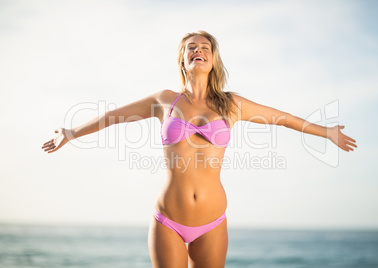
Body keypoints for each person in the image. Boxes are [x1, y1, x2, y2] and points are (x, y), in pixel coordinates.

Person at [42, 30, 357, 268]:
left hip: (212, 221)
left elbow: (284, 119)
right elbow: (112, 117)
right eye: (191, 47)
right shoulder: (164, 100)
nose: (198, 50)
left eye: (205, 47)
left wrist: (325, 131)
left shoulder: (231, 104)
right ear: (183, 59)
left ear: (213, 59)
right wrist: (71, 132)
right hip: (168, 220)